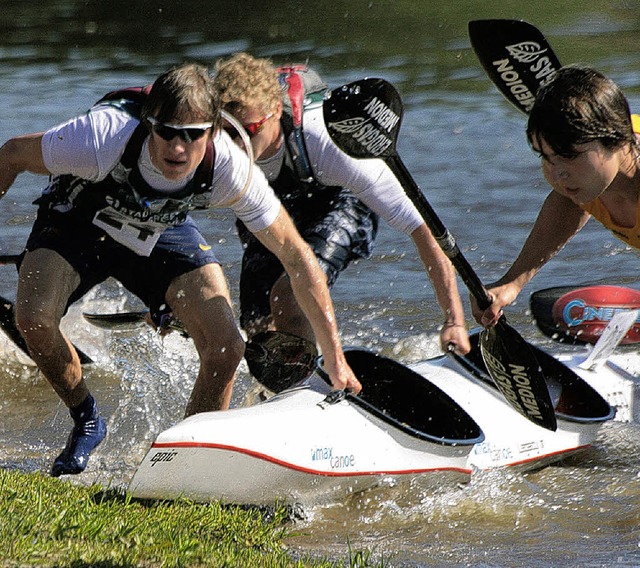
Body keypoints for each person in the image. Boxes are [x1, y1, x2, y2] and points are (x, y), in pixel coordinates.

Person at [0, 62, 358, 477]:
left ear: (213, 131)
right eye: (166, 131)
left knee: (227, 345)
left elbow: (297, 256)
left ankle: (188, 460)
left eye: (193, 135)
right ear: (148, 123)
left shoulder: (231, 168)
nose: (178, 148)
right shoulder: (100, 136)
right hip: (77, 222)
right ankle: (86, 418)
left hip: (160, 230)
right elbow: (10, 155)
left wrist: (335, 358)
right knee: (33, 317)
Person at [213, 53, 470, 354]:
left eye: (246, 130)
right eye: (225, 132)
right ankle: (285, 384)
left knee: (287, 295)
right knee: (257, 327)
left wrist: (454, 320)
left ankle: (320, 377)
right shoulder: (211, 146)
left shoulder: (324, 142)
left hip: (341, 202)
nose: (234, 144)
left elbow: (422, 226)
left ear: (272, 109)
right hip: (274, 204)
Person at [472, 64, 640, 327]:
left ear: (618, 141)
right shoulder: (585, 181)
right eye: (545, 157)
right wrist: (512, 282)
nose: (558, 175)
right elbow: (568, 203)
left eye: (569, 156)